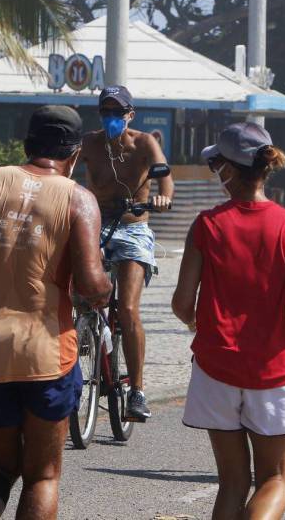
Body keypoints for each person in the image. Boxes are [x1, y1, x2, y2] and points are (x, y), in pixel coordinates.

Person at [0, 106, 112, 520]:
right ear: (76, 152)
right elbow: (89, 282)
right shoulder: (78, 199)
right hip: (45, 351)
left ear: (27, 143)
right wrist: (105, 290)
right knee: (42, 475)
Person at [173, 122, 285, 520]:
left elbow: (182, 301)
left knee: (231, 483)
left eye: (214, 165)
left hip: (215, 367)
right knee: (273, 479)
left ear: (229, 170)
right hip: (274, 368)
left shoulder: (207, 225)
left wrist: (193, 321)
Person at [80, 85, 174, 421]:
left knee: (130, 308)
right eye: (105, 113)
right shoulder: (90, 143)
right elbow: (64, 169)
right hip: (96, 224)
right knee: (80, 295)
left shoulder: (145, 143)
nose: (111, 119)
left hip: (133, 227)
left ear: (129, 115)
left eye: (117, 113)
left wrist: (163, 197)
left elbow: (165, 176)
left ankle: (137, 391)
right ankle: (86, 338)